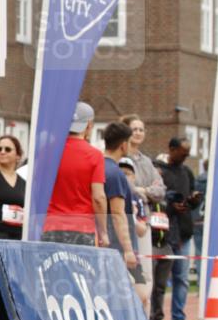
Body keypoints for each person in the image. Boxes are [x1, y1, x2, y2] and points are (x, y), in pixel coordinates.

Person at [41, 101, 108, 247]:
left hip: (51, 225)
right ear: (89, 125)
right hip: (82, 227)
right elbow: (98, 197)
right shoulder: (95, 155)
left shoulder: (47, 152)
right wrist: (103, 232)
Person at [120, 115, 166, 308]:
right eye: (134, 129)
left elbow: (160, 190)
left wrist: (142, 190)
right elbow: (123, 186)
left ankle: (144, 318)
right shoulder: (120, 159)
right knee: (127, 270)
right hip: (122, 220)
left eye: (141, 129)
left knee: (145, 271)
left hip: (143, 222)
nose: (138, 132)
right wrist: (137, 189)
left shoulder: (146, 161)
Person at [158, 137, 202, 320]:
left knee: (181, 278)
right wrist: (169, 204)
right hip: (163, 232)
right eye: (183, 154)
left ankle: (179, 317)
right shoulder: (159, 170)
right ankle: (156, 317)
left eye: (188, 154)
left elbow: (191, 199)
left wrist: (193, 201)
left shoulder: (187, 172)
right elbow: (156, 197)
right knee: (159, 279)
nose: (185, 158)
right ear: (172, 149)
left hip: (183, 231)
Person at [103, 123, 145, 301]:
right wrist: (128, 250)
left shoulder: (97, 166)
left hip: (105, 243)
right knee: (140, 296)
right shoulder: (115, 173)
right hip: (117, 246)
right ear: (123, 145)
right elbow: (118, 213)